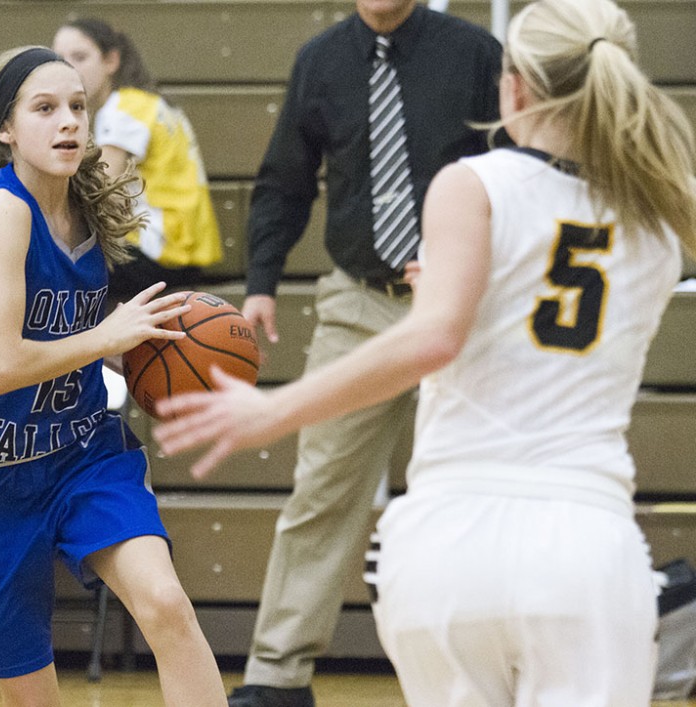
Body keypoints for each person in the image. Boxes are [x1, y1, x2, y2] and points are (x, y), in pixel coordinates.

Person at [154, 0, 696, 704]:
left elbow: (439, 330)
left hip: (450, 543)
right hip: (585, 542)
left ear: (515, 88)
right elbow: (526, 311)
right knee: (325, 493)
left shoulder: (475, 185)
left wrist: (270, 410)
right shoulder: (659, 224)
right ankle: (277, 673)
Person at [163, 0, 502, 704]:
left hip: (471, 299)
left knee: (485, 486)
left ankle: (498, 664)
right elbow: (284, 180)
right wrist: (260, 282)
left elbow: (519, 168)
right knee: (321, 489)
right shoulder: (320, 62)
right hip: (359, 300)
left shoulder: (474, 54)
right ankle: (277, 675)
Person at [0, 45, 227, 706]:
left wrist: (163, 355)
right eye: (45, 109)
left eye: (76, 107)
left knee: (166, 603)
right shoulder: (4, 211)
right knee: (35, 695)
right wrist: (104, 337)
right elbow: (3, 364)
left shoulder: (87, 203)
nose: (67, 122)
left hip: (82, 451)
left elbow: (87, 330)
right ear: (5, 128)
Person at [52, 18, 222, 303]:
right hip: (180, 252)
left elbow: (99, 193)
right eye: (59, 60)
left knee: (44, 264)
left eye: (79, 57)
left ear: (111, 61)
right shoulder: (146, 103)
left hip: (157, 253)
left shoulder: (123, 109)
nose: (68, 68)